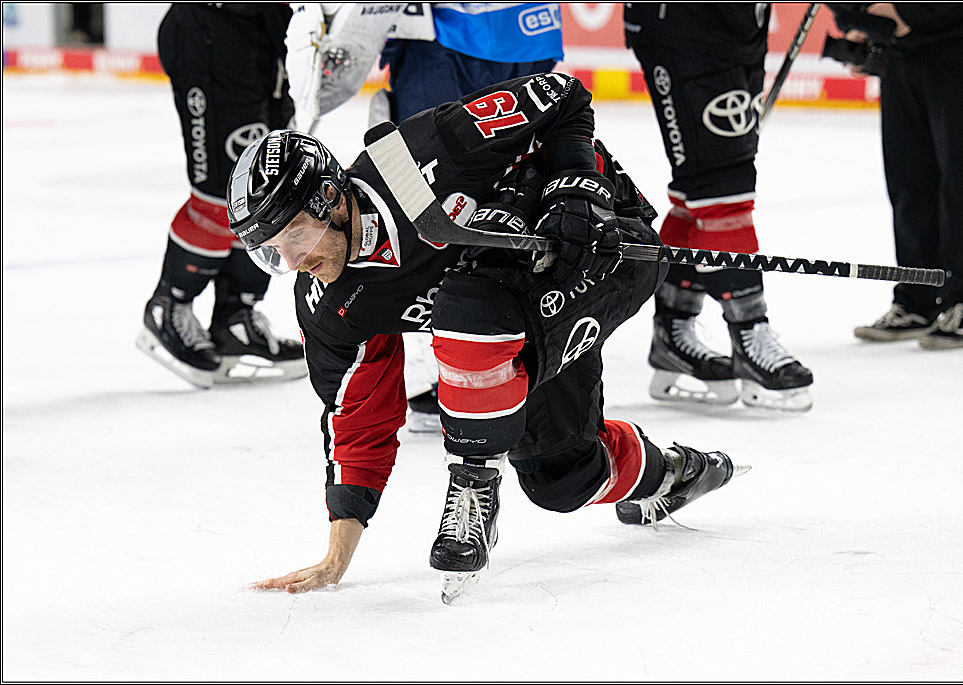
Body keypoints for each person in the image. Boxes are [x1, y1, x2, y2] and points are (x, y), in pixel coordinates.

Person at [227, 74, 748, 601]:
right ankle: (674, 474)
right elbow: (358, 417)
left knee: (467, 305)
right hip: (511, 311)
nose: (293, 263)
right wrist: (334, 557)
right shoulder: (328, 306)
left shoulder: (420, 157)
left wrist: (575, 188)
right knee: (561, 476)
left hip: (602, 245)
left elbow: (563, 95)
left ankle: (473, 488)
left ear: (331, 201)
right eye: (271, 252)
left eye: (294, 236)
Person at [285, 2, 565, 430]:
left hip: (526, 24)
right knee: (430, 188)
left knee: (523, 176)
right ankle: (443, 353)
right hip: (438, 38)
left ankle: (506, 339)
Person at [623, 3, 814, 412]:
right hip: (685, 30)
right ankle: (750, 334)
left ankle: (673, 334)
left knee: (699, 191)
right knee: (722, 188)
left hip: (738, 31)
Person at [136, 3, 306, 388]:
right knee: (217, 197)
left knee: (267, 188)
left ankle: (235, 319)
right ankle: (169, 306)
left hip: (269, 37)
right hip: (214, 33)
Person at [839, 3, 963, 349]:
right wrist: (858, 17)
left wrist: (906, 13)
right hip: (904, 50)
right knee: (908, 180)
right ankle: (916, 298)